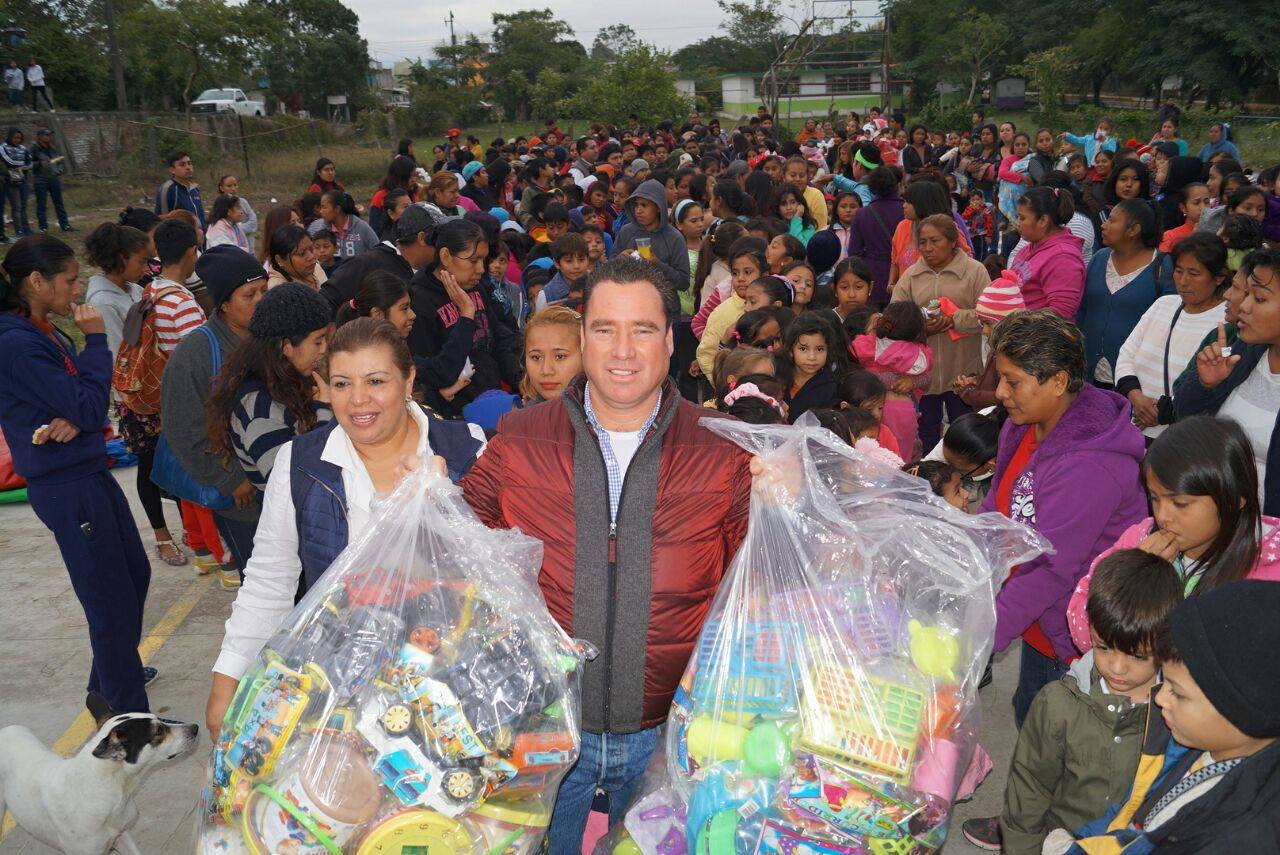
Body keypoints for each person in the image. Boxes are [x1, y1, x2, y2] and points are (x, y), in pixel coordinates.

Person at [460, 257, 752, 848]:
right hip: (545, 730)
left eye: (642, 329)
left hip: (674, 736)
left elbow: (766, 581)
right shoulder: (519, 441)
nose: (622, 350)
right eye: (604, 329)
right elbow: (461, 551)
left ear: (670, 341)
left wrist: (793, 502)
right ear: (582, 337)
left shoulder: (724, 450)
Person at [204, 317, 485, 734]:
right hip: (337, 688)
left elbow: (494, 578)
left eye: (375, 381)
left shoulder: (470, 450)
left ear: (408, 381)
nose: (358, 401)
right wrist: (226, 682)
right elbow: (269, 582)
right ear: (322, 387)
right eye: (341, 384)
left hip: (449, 692)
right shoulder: (300, 463)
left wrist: (441, 506)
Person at [0, 235, 152, 713]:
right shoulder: (16, 341)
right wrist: (95, 342)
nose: (77, 288)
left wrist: (78, 415)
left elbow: (80, 406)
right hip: (65, 484)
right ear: (36, 281)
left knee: (134, 574)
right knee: (108, 601)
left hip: (86, 469)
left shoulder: (40, 328)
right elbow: (87, 403)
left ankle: (108, 679)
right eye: (68, 280)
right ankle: (128, 713)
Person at [982, 310, 1148, 726]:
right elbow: (994, 511)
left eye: (1013, 381)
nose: (1000, 392)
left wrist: (979, 640)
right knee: (1031, 714)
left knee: (1056, 745)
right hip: (1035, 616)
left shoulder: (1089, 465)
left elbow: (1050, 569)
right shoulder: (1024, 424)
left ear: (1058, 381)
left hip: (1077, 636)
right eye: (1000, 377)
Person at [963, 550, 1182, 853]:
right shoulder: (1057, 705)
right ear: (1091, 631)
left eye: (1137, 655)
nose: (1117, 668)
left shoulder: (1180, 712)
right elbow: (1029, 791)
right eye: (1104, 647)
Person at [1045, 581, 1280, 853]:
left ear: (1244, 711)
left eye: (1177, 693)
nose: (1159, 698)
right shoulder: (1190, 743)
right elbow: (1133, 813)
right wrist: (1081, 844)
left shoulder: (1242, 837)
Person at [160, 246, 268, 581]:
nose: (261, 301)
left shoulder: (270, 337)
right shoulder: (195, 354)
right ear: (222, 303)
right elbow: (185, 431)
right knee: (263, 580)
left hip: (277, 484)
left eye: (265, 291)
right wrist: (231, 480)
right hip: (244, 500)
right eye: (249, 294)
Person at [1175, 247, 1280, 516]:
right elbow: (1185, 416)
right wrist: (1205, 385)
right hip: (1220, 524)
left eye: (1258, 298)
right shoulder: (1246, 352)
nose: (1243, 306)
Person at [206, 283, 332, 492]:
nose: (324, 349)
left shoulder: (290, 381)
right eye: (318, 342)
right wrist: (324, 409)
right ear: (286, 347)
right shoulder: (259, 410)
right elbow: (295, 484)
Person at [1116, 233, 1228, 440]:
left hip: (1177, 438)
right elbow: (1126, 354)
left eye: (1194, 273)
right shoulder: (1163, 304)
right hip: (1132, 424)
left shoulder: (1225, 322)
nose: (1183, 281)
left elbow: (1213, 382)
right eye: (1179, 271)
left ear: (1219, 277)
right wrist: (1136, 398)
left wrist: (1164, 412)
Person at [891, 213, 988, 450]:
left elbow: (988, 314)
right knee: (927, 436)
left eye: (935, 241)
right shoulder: (911, 276)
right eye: (922, 242)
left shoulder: (975, 272)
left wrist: (954, 320)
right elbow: (894, 318)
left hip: (964, 370)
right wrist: (920, 328)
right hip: (923, 376)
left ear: (953, 241)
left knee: (965, 433)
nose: (928, 248)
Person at [406, 219, 522, 416]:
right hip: (455, 413)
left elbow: (498, 340)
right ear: (445, 256)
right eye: (473, 260)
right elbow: (433, 373)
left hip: (492, 400)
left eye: (483, 260)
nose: (481, 269)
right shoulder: (419, 301)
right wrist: (466, 315)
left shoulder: (476, 287)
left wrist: (521, 381)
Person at [1077, 198, 1175, 386]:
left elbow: (1165, 325)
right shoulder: (1099, 258)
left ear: (1133, 230)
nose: (1104, 225)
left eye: (1112, 220)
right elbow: (1083, 310)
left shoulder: (1163, 267)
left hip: (1133, 379)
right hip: (1088, 373)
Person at [851, 301, 932, 455]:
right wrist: (911, 381)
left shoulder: (867, 344)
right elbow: (927, 379)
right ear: (917, 332)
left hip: (869, 409)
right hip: (904, 409)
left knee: (872, 455)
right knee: (902, 458)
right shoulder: (919, 353)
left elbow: (854, 364)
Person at [321, 205, 435, 311]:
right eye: (439, 237)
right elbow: (326, 299)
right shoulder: (368, 263)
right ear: (422, 238)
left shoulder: (428, 270)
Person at [1007, 187, 1086, 318]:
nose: (1018, 223)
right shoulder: (1028, 248)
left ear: (1043, 220)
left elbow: (1060, 314)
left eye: (1022, 218)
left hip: (1037, 336)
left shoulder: (1063, 257)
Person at [611, 178, 690, 296]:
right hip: (628, 303)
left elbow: (683, 283)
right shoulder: (626, 232)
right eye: (636, 205)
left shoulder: (674, 238)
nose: (638, 210)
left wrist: (657, 263)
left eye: (644, 205)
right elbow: (607, 272)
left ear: (658, 207)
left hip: (664, 307)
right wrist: (619, 259)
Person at [845, 166, 905, 304]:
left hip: (873, 276)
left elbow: (854, 253)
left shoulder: (862, 214)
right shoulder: (906, 210)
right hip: (903, 274)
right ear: (896, 185)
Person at [782, 312, 839, 421]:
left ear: (828, 350)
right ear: (790, 350)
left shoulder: (831, 388)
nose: (812, 357)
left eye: (819, 349)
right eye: (803, 349)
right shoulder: (779, 377)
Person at [307, 190, 377, 260]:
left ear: (337, 209)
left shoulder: (361, 227)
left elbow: (378, 251)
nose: (321, 211)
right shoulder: (319, 229)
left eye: (324, 207)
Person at [29, 128, 71, 234]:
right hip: (40, 179)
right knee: (42, 204)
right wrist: (39, 164)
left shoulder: (52, 148)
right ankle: (43, 228)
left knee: (59, 203)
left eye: (49, 135)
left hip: (53, 177)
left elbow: (58, 160)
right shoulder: (34, 148)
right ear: (39, 137)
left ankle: (65, 225)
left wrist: (60, 169)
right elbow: (28, 164)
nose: (49, 137)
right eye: (46, 135)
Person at [264, 223, 327, 291]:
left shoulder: (315, 268)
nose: (311, 257)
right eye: (301, 253)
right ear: (280, 260)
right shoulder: (278, 290)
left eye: (312, 249)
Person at [367, 155, 416, 237]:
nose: (414, 179)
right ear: (400, 177)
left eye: (415, 175)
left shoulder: (413, 194)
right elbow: (374, 229)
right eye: (410, 176)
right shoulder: (380, 196)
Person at [154, 151, 205, 228]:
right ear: (172, 170)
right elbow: (161, 219)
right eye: (182, 165)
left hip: (200, 237)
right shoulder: (168, 189)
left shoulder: (195, 189)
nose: (188, 167)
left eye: (189, 163)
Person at [1, 127, 32, 241]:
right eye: (15, 137)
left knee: (23, 206)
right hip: (10, 180)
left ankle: (26, 230)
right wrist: (21, 165)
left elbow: (30, 163)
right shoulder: (3, 147)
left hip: (22, 179)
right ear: (10, 137)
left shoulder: (23, 148)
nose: (17, 140)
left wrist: (21, 166)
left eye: (19, 138)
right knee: (16, 206)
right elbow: (8, 161)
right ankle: (19, 232)